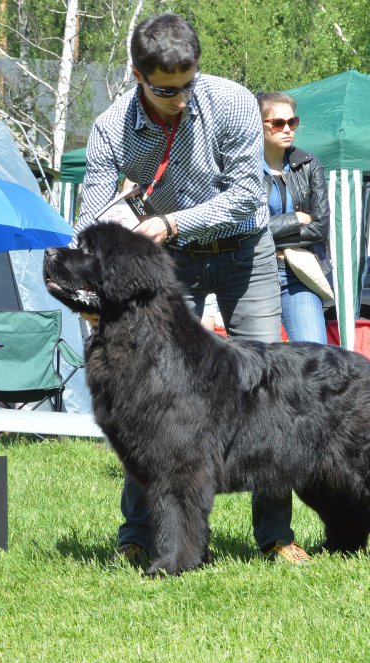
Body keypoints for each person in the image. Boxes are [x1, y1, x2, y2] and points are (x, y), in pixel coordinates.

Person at [75, 14, 309, 566]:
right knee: (146, 393)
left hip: (243, 252)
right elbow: (91, 217)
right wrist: (89, 288)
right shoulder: (111, 128)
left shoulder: (230, 102)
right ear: (138, 75)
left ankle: (275, 536)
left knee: (266, 389)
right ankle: (139, 535)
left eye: (187, 85)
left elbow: (247, 196)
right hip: (171, 262)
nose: (179, 98)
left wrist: (171, 222)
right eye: (165, 90)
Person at [258, 91, 331, 344]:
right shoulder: (245, 168)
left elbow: (320, 228)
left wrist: (268, 233)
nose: (288, 129)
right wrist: (295, 219)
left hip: (298, 272)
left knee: (316, 355)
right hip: (254, 273)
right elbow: (244, 229)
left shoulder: (309, 165)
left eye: (293, 122)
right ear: (259, 125)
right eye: (278, 123)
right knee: (260, 359)